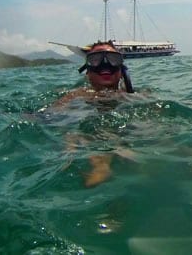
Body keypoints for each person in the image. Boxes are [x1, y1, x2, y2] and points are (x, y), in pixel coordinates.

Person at [54, 41, 135, 187]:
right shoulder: (75, 96)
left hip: (132, 128)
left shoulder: (134, 95)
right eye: (96, 59)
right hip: (87, 126)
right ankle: (101, 164)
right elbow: (51, 115)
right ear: (88, 72)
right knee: (72, 135)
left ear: (122, 70)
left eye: (113, 58)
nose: (105, 64)